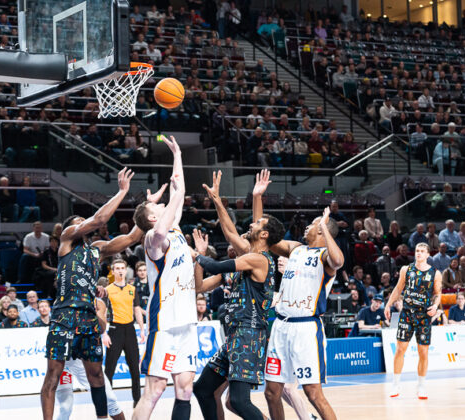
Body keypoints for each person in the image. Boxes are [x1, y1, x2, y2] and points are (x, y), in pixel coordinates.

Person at [40, 167, 140, 420]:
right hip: (64, 314)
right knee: (53, 376)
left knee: (96, 376)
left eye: (81, 224)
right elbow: (97, 220)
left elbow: (129, 239)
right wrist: (122, 192)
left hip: (87, 316)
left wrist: (147, 212)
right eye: (77, 224)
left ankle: (102, 417)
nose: (81, 226)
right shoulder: (65, 241)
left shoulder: (96, 249)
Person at [192, 169, 285, 420]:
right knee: (202, 389)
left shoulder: (259, 259)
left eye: (256, 225)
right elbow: (229, 232)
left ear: (263, 234)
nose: (250, 226)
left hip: (249, 334)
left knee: (239, 402)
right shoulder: (248, 255)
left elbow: (217, 265)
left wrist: (197, 256)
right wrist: (216, 200)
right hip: (234, 334)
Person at [131, 136, 198, 420]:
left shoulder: (175, 229)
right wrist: (170, 203)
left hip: (187, 321)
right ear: (151, 218)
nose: (162, 205)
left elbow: (178, 187)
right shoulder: (152, 238)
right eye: (156, 208)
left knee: (184, 388)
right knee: (155, 389)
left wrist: (178, 155)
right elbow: (160, 229)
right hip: (165, 323)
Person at [262, 198, 344, 420]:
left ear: (321, 230)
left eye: (312, 225)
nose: (306, 227)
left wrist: (324, 227)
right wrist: (258, 199)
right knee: (272, 392)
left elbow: (338, 260)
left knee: (313, 394)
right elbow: (266, 239)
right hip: (280, 326)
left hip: (306, 329)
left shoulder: (325, 257)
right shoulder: (296, 249)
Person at [55, 288, 126, 420]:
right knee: (65, 408)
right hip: (64, 359)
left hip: (83, 358)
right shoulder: (62, 301)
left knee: (110, 400)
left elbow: (102, 328)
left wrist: (90, 309)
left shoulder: (98, 303)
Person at [384, 243, 442, 400]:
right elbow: (397, 289)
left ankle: (421, 386)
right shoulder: (406, 269)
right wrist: (388, 305)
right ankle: (395, 384)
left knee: (423, 352)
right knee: (400, 349)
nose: (419, 253)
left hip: (424, 316)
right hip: (407, 313)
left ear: (428, 254)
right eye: (417, 251)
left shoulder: (435, 273)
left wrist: (435, 306)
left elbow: (438, 294)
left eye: (422, 251)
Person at [104, 258, 146, 406]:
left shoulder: (132, 289)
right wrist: (104, 333)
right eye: (117, 268)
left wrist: (141, 329)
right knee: (109, 369)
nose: (120, 270)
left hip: (130, 330)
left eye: (123, 268)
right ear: (113, 271)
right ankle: (108, 401)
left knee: (135, 368)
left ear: (126, 270)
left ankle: (137, 400)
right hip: (114, 330)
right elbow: (102, 314)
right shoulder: (107, 290)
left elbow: (137, 310)